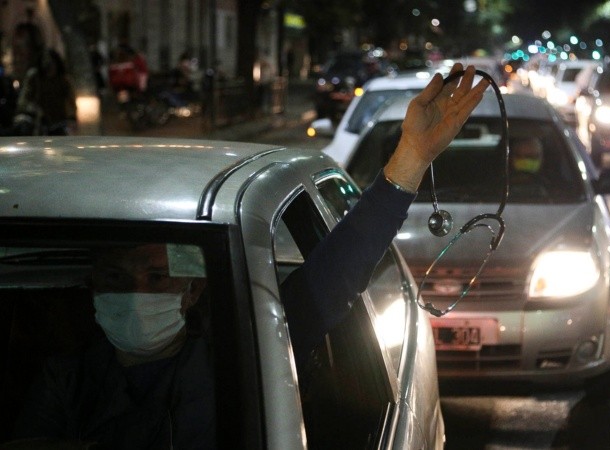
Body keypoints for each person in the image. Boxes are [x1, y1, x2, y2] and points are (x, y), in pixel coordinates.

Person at [12, 63, 490, 448]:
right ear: (93, 287)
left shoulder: (245, 348)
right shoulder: (63, 379)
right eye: (115, 276)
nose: (133, 293)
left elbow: (336, 275)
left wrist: (411, 157)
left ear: (190, 289)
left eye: (155, 276)